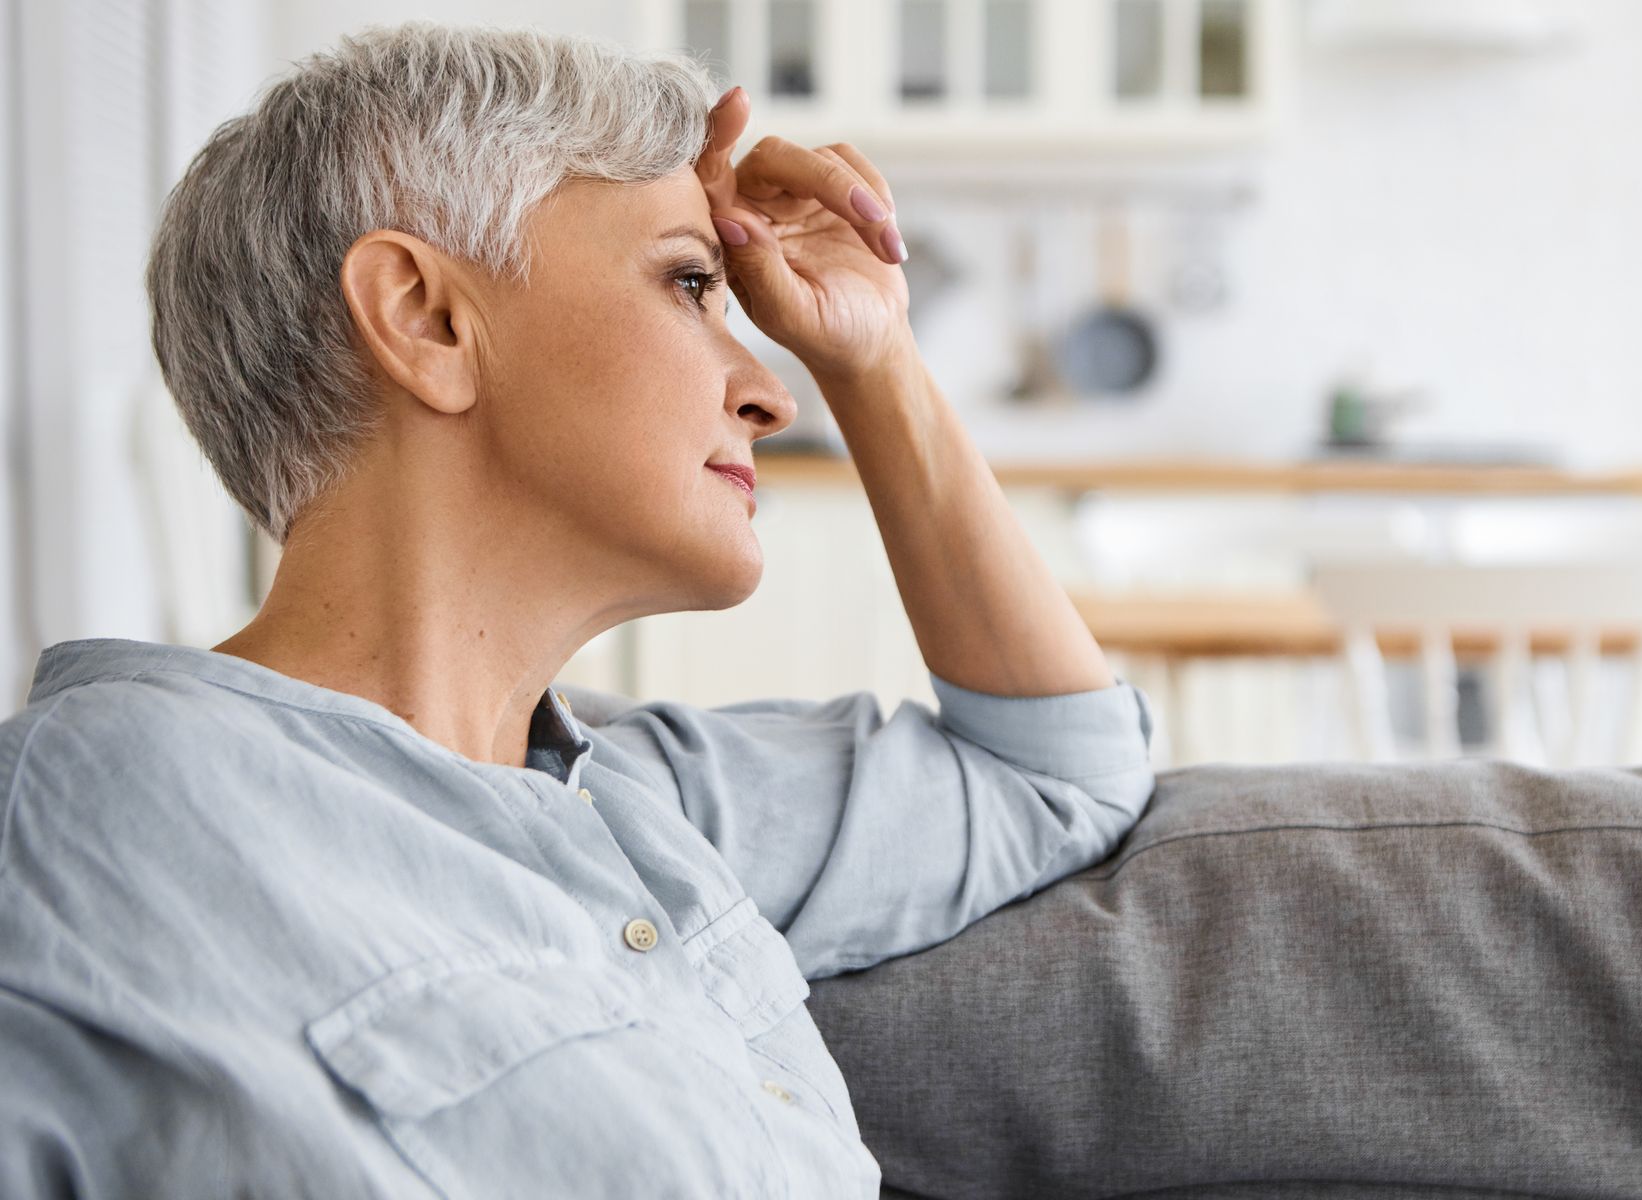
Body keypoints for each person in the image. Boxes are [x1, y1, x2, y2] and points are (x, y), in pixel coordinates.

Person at [0, 22, 1156, 1199]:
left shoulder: (656, 808)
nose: (770, 392)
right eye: (693, 284)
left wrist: (879, 365)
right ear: (426, 317)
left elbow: (1058, 775)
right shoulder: (91, 808)